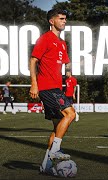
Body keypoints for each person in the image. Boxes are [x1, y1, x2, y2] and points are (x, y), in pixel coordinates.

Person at [29, 8, 76, 175]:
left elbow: (66, 64)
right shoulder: (45, 39)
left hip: (56, 87)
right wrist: (34, 84)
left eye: (65, 19)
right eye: (61, 18)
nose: (64, 21)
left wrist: (70, 75)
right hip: (47, 87)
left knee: (57, 128)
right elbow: (33, 61)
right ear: (52, 21)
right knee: (70, 114)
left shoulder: (62, 43)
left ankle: (45, 166)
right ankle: (56, 150)